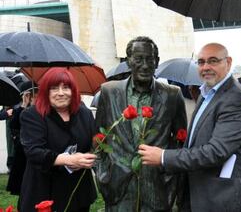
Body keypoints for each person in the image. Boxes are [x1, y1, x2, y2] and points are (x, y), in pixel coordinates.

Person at [139, 43, 241, 212]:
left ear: (228, 62)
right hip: (199, 193)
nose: (206, 67)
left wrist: (164, 157)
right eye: (201, 62)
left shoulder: (237, 98)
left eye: (213, 61)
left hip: (224, 198)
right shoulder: (206, 93)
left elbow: (215, 152)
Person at [95, 36, 187, 211]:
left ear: (157, 62)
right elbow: (98, 140)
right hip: (118, 188)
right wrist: (103, 175)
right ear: (129, 61)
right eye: (138, 59)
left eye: (150, 59)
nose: (144, 65)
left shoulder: (173, 95)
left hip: (158, 188)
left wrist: (171, 180)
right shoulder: (109, 92)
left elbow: (181, 141)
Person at [19, 68, 97, 212]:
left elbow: (95, 144)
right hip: (45, 192)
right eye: (54, 88)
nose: (61, 93)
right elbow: (34, 152)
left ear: (73, 91)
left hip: (78, 192)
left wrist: (89, 158)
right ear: (45, 92)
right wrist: (69, 160)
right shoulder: (32, 115)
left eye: (66, 87)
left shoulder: (84, 114)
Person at [6, 81, 38, 197]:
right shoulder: (20, 110)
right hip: (22, 153)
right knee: (23, 189)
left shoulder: (42, 109)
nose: (33, 96)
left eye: (36, 93)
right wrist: (24, 104)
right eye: (30, 94)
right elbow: (13, 125)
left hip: (38, 151)